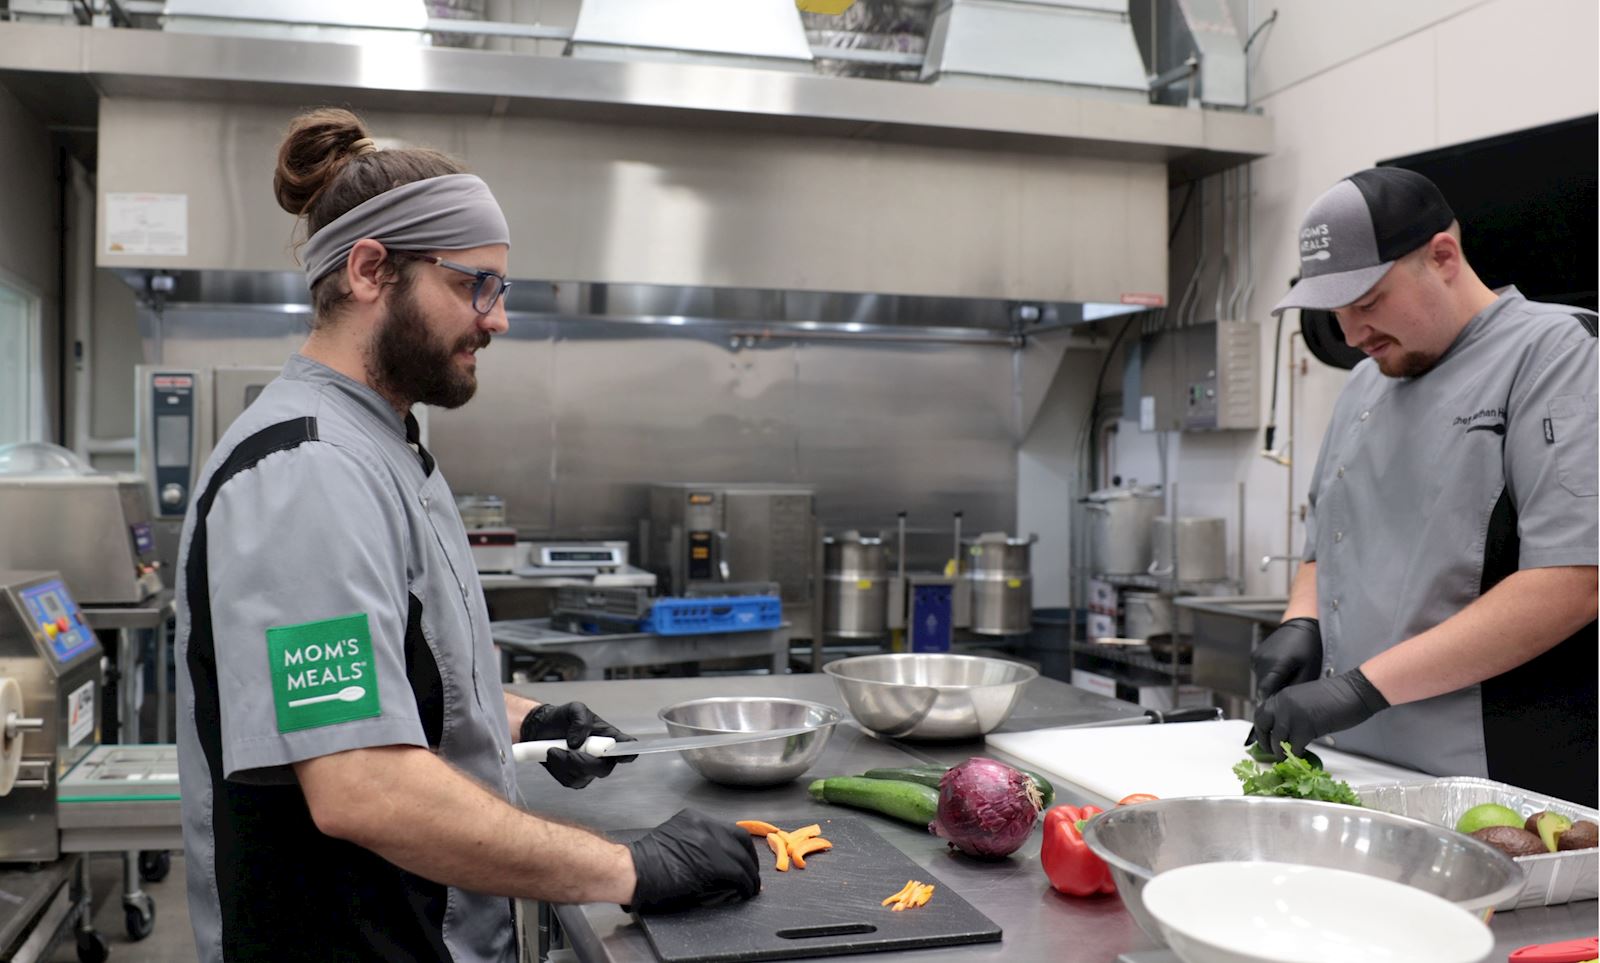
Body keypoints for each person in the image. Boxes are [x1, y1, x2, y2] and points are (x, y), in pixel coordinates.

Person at [174, 108, 759, 962]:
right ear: (373, 269)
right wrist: (629, 867)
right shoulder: (306, 473)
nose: (497, 318)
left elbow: (386, 681)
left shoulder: (382, 445)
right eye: (474, 284)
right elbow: (361, 785)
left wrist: (518, 718)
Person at [1251, 166, 1598, 806]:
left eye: (1368, 302)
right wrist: (1300, 622)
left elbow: (1573, 580)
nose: (1353, 334)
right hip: (1355, 765)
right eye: (1337, 311)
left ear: (1442, 256)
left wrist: (1358, 689)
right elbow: (1330, 536)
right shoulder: (1364, 381)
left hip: (1497, 776)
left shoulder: (1558, 352)